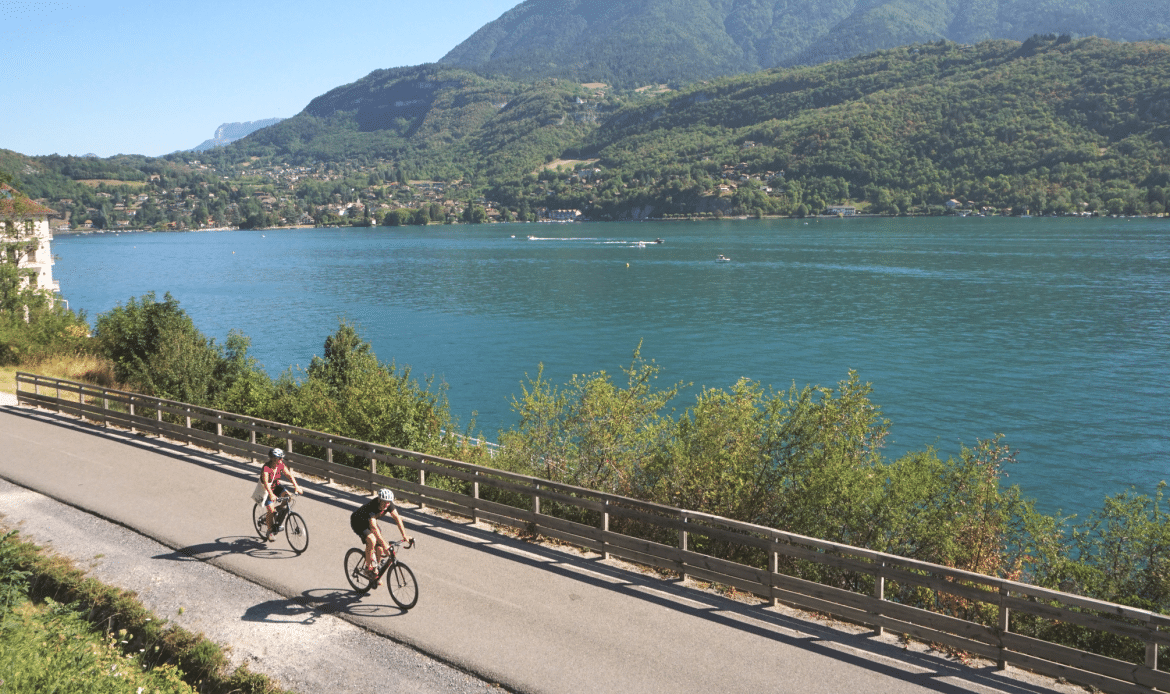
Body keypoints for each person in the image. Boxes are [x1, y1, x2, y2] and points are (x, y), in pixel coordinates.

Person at [350, 488, 412, 587]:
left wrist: (404, 535)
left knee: (379, 549)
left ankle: (375, 571)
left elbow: (397, 518)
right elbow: (374, 528)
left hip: (370, 524)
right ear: (379, 500)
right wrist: (385, 545)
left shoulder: (388, 504)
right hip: (358, 522)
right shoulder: (373, 507)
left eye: (388, 503)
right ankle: (368, 567)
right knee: (372, 540)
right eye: (384, 502)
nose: (386, 505)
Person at [261, 447, 302, 542]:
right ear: (273, 459)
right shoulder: (266, 468)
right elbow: (266, 483)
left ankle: (277, 512)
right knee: (270, 510)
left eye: (281, 458)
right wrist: (271, 494)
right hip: (266, 489)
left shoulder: (280, 465)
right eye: (279, 458)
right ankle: (270, 531)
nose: (281, 460)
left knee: (288, 497)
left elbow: (289, 475)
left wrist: (296, 486)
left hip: (275, 486)